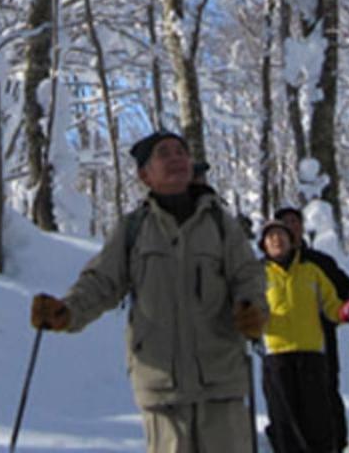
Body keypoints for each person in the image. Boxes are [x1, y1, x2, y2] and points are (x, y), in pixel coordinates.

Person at [30, 131, 268, 452]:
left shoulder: (221, 224)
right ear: (145, 175)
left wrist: (251, 307)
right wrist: (68, 311)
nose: (176, 158)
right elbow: (102, 282)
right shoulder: (133, 229)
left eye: (181, 152)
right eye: (164, 153)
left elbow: (248, 275)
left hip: (221, 379)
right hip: (162, 385)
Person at [274, 206, 349, 451]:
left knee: (325, 393)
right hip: (281, 347)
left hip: (320, 341)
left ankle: (336, 445)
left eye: (295, 222)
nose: (291, 227)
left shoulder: (319, 262)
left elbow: (344, 289)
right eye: (285, 223)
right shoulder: (265, 267)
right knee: (286, 402)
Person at [258, 219, 349, 452]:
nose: (277, 240)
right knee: (285, 422)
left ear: (291, 241)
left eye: (281, 236)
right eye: (271, 237)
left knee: (318, 421)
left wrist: (345, 311)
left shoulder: (311, 271)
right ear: (264, 245)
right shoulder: (258, 274)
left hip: (312, 356)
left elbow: (331, 306)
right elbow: (246, 307)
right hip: (276, 357)